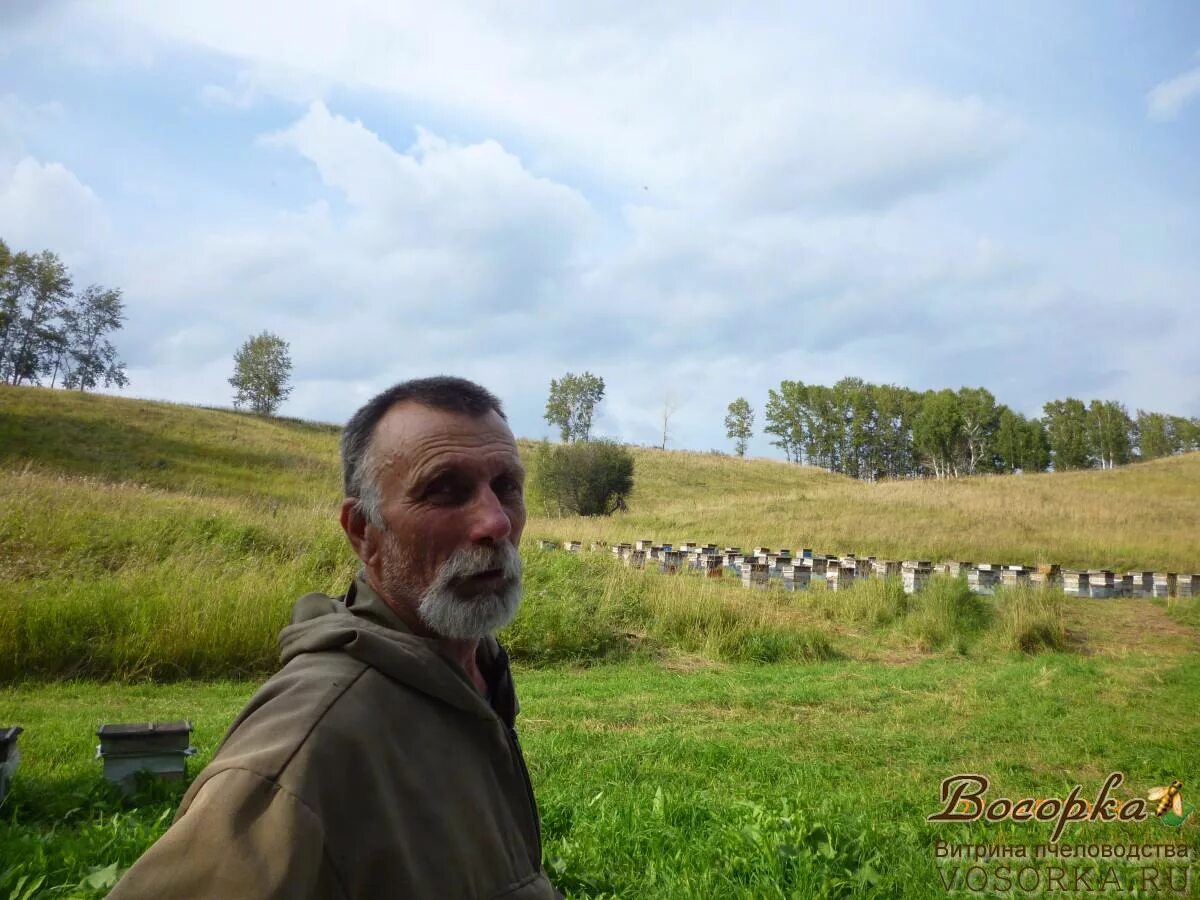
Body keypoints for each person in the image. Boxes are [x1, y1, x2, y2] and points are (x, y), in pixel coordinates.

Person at [110, 376, 559, 899]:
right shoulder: (306, 741)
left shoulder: (473, 672)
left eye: (506, 487)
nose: (496, 521)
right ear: (363, 532)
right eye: (444, 490)